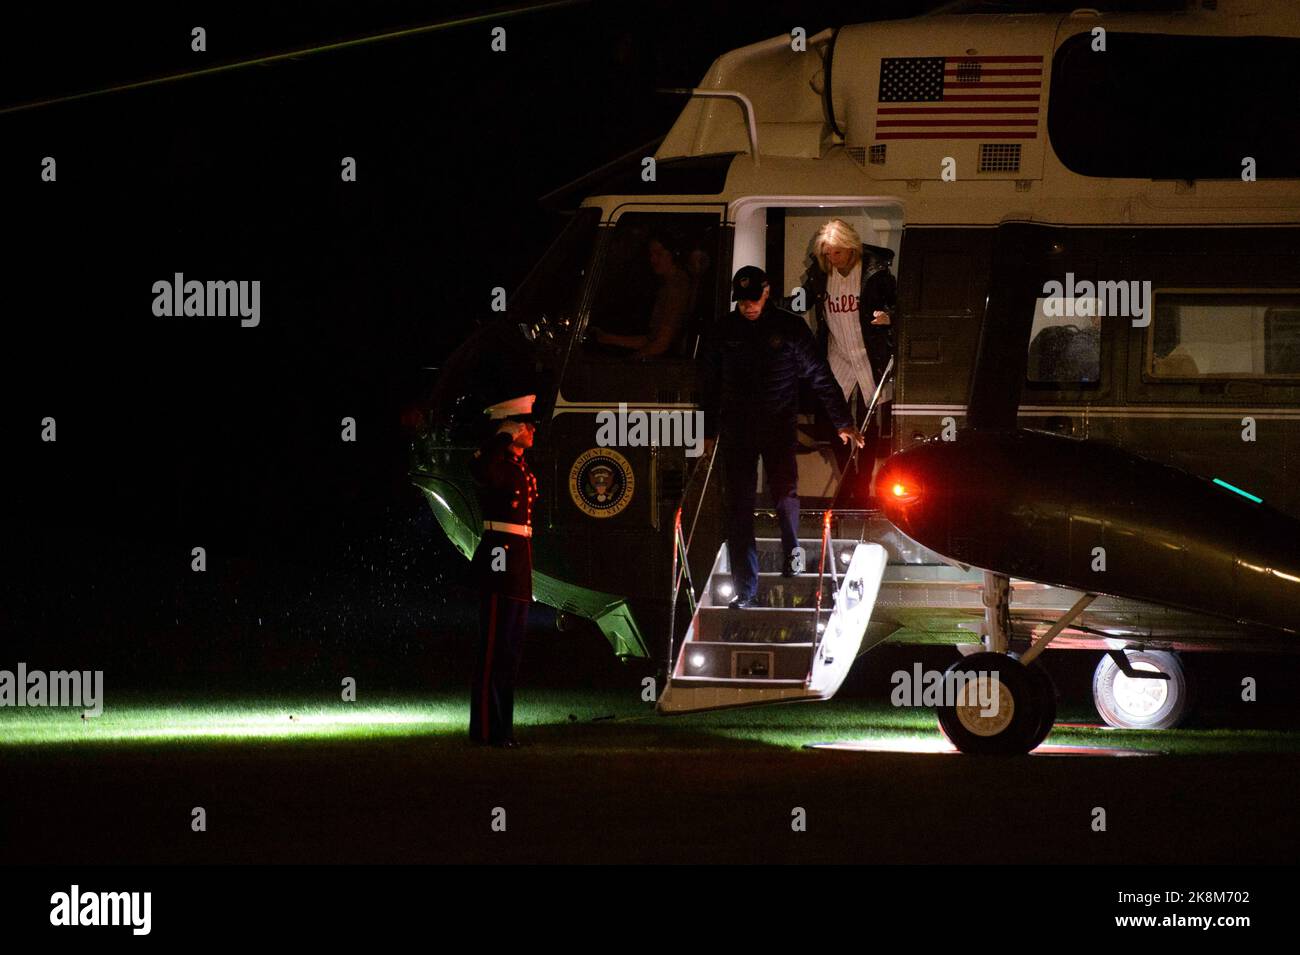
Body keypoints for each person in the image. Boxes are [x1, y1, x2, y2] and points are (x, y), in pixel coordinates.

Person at [702, 266, 863, 609]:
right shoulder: (724, 330)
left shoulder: (789, 328)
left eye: (753, 298)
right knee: (738, 508)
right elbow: (709, 385)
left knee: (785, 496)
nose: (747, 306)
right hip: (736, 430)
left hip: (777, 426)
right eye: (741, 301)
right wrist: (706, 432)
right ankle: (745, 589)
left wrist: (843, 422)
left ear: (767, 291)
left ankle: (794, 559)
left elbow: (821, 376)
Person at [800, 219, 899, 481]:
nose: (833, 259)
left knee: (869, 419)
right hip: (838, 353)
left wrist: (889, 316)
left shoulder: (874, 272)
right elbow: (800, 302)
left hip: (869, 354)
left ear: (851, 248)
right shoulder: (821, 274)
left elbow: (900, 305)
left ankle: (864, 480)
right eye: (828, 253)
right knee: (836, 417)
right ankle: (848, 477)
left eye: (837, 252)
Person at [467, 393, 539, 748]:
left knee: (509, 652)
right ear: (510, 426)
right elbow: (479, 470)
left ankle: (503, 730)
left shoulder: (518, 467)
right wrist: (501, 438)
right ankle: (484, 730)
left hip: (518, 563)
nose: (532, 429)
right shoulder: (496, 461)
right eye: (525, 423)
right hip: (499, 560)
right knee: (493, 650)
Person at [590, 234, 694, 358]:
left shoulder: (677, 286)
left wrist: (630, 362)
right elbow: (651, 340)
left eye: (659, 254)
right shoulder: (666, 286)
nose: (652, 260)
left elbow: (662, 344)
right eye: (651, 254)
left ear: (674, 254)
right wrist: (608, 338)